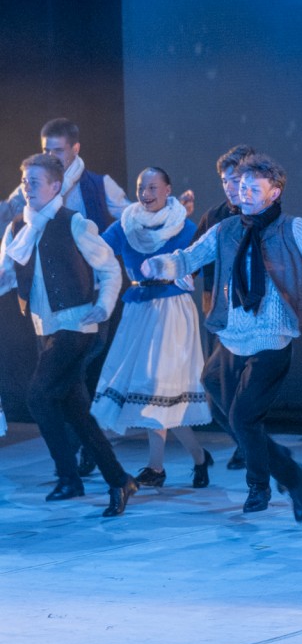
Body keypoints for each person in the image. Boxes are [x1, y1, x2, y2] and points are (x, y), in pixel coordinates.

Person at [141, 153, 302, 521]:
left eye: (254, 188)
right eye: (242, 187)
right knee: (215, 389)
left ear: (274, 193)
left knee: (242, 418)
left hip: (271, 339)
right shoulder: (226, 229)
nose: (245, 193)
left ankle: (260, 485)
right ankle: (289, 469)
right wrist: (161, 265)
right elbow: (190, 257)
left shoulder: (290, 228)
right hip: (232, 337)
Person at [0, 153, 136, 516]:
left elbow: (110, 269)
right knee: (76, 411)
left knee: (38, 396)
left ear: (55, 186)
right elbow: (7, 275)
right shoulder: (17, 228)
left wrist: (104, 306)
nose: (26, 188)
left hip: (77, 326)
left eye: (34, 182)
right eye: (24, 181)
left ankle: (67, 474)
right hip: (45, 328)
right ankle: (118, 480)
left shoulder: (74, 223)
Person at [91, 167, 213, 488]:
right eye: (141, 187)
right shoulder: (127, 224)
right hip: (139, 309)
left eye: (152, 187)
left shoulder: (183, 226)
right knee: (152, 394)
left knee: (158, 389)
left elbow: (200, 262)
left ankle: (162, 466)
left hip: (171, 310)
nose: (145, 193)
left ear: (167, 190)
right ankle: (194, 458)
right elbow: (98, 250)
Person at [193, 144, 258, 471]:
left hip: (251, 316)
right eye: (224, 181)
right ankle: (246, 442)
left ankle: (251, 445)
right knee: (214, 384)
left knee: (238, 384)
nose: (230, 188)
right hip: (218, 313)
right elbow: (192, 255)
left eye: (235, 180)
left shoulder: (262, 215)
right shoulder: (214, 217)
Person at [1, 118, 129, 232]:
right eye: (46, 150)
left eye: (58, 150)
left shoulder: (101, 184)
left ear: (76, 149)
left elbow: (132, 221)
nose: (51, 157)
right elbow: (5, 219)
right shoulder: (30, 185)